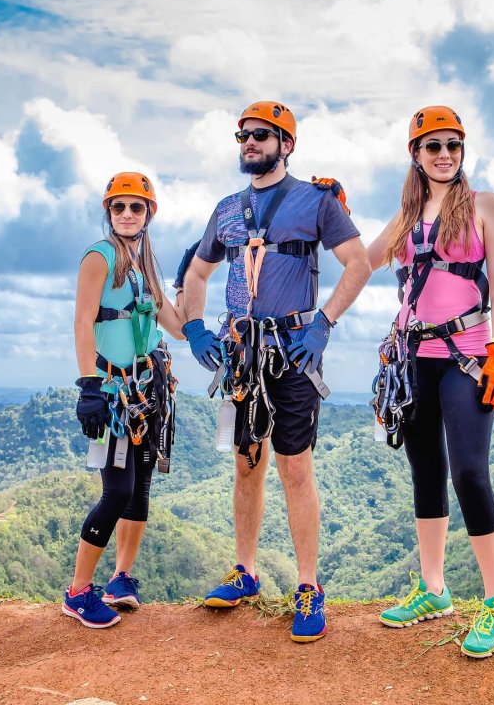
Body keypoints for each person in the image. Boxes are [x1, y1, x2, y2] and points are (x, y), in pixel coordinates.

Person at [180, 101, 370, 642]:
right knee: (247, 464)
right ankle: (246, 572)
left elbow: (358, 262)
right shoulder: (226, 211)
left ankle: (308, 586)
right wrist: (195, 326)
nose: (248, 143)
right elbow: (197, 271)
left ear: (286, 143)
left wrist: (324, 323)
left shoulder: (316, 201)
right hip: (242, 351)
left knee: (295, 468)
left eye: (261, 135)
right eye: (242, 135)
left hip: (292, 350)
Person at [365, 106, 494, 658]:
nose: (445, 154)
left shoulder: (483, 207)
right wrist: (331, 212)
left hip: (467, 357)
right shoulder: (405, 217)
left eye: (453, 144)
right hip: (411, 358)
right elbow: (361, 262)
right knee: (425, 472)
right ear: (415, 154)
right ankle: (434, 590)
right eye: (434, 146)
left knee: (470, 472)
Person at [63, 172, 186, 629]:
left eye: (137, 207)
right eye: (119, 207)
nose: (128, 214)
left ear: (149, 213)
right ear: (108, 212)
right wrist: (88, 386)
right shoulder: (99, 258)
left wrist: (197, 323)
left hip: (147, 388)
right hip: (113, 392)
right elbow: (81, 322)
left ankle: (121, 579)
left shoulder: (144, 264)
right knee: (117, 490)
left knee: (140, 486)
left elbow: (172, 321)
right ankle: (77, 592)